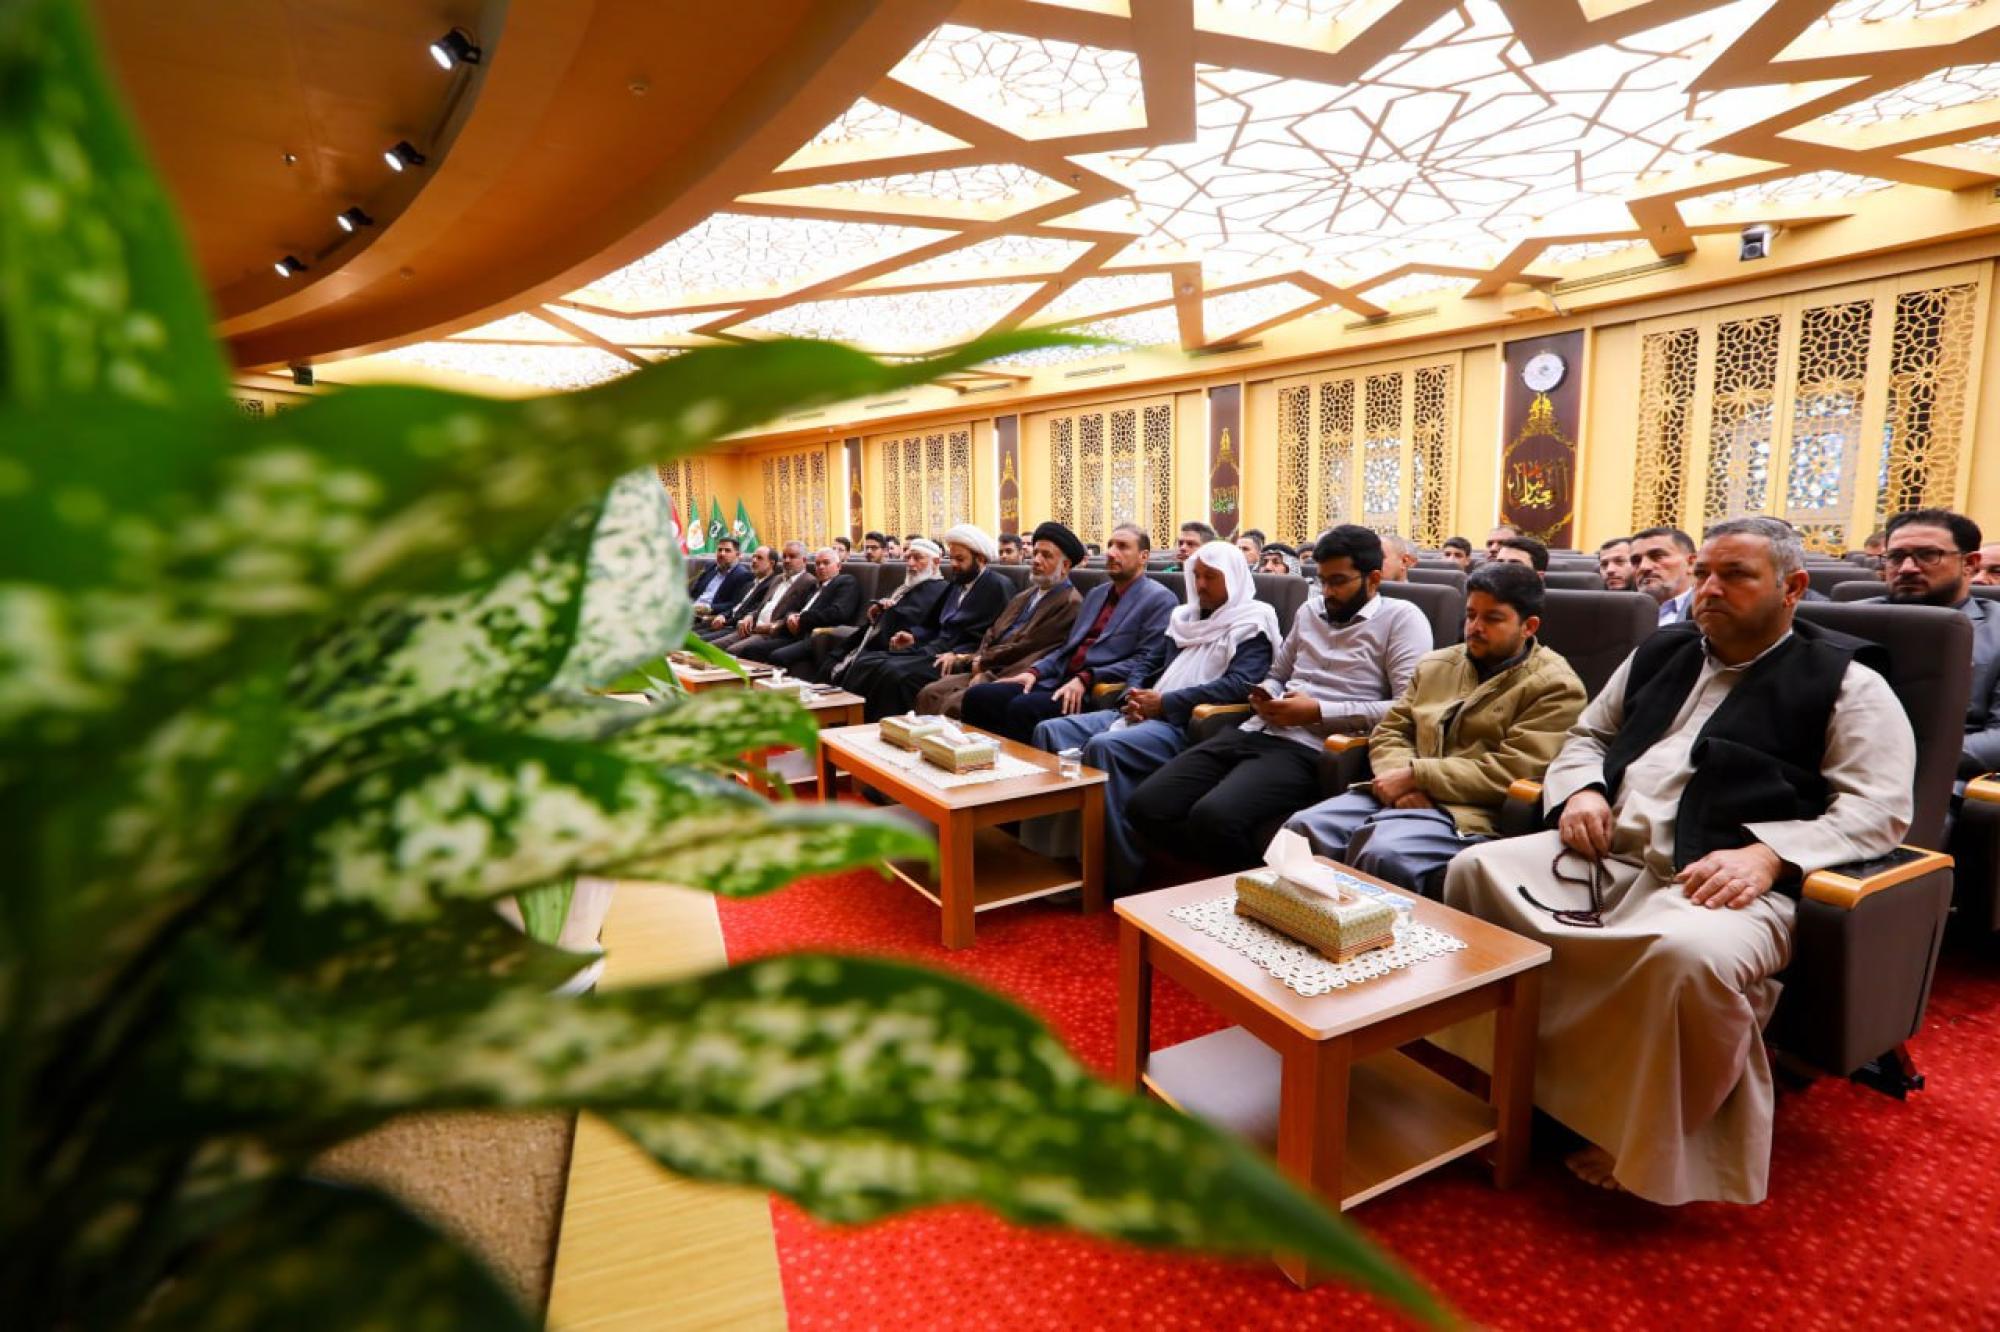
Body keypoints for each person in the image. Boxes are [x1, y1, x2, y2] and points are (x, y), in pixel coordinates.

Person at [1437, 517, 1914, 1205]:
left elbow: (1879, 809)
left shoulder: (1849, 683)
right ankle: (1511, 1073)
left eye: (1735, 575)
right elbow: (1587, 737)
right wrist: (1584, 790)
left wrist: (1770, 855)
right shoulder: (1661, 650)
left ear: (1793, 587)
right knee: (1475, 871)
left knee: (1688, 956)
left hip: (1729, 878)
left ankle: (1640, 1133)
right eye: (1703, 574)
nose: (1710, 590)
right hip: (1611, 853)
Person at [1127, 525, 1432, 874]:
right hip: (1256, 729)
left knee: (1213, 817)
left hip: (1314, 748)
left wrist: (1318, 711)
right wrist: (1267, 695)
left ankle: (1256, 887)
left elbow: (1405, 708)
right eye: (1322, 581)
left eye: (1338, 582)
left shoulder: (1402, 619)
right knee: (1145, 804)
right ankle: (1215, 879)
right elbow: (1276, 675)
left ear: (1373, 579)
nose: (1327, 592)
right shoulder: (1310, 611)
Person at [1283, 563, 1586, 897]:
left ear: (1528, 626)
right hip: (1396, 791)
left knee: (1384, 852)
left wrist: (1417, 776)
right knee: (1302, 828)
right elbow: (1391, 730)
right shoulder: (1437, 664)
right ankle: (1296, 923)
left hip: (1467, 811)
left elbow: (1512, 770)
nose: (1475, 627)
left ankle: (1368, 931)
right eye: (1471, 615)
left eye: (1492, 618)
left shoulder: (1555, 686)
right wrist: (1400, 781)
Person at [1023, 542, 1278, 893]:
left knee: (1105, 747)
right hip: (1145, 711)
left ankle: (1112, 871)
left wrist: (1165, 703)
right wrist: (1133, 694)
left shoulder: (1253, 620)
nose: (1200, 585)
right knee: (1050, 731)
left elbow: (1239, 685)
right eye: (1197, 576)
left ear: (1233, 578)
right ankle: (1054, 855)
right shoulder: (1185, 618)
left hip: (1187, 725)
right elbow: (1148, 661)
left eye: (1211, 577)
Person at [960, 524, 1176, 743]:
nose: (1111, 552)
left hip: (1095, 688)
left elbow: (1144, 661)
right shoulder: (1097, 594)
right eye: (1110, 545)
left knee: (1023, 708)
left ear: (1143, 556)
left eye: (1122, 547)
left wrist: (1086, 678)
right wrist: (1034, 672)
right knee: (980, 696)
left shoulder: (1159, 599)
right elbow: (1068, 648)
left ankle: (1020, 764)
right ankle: (977, 758)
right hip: (1059, 677)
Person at [1864, 508, 1997, 779]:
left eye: (1928, 555)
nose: (1907, 568)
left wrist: (1895, 760)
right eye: (1896, 557)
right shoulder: (1845, 620)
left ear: (1970, 564)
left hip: (1942, 780)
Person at [915, 522, 1085, 719]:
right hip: (987, 665)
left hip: (1013, 672)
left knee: (955, 703)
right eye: (1036, 553)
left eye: (1046, 555)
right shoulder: (1026, 595)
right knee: (930, 693)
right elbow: (992, 632)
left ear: (1065, 566)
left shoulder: (1070, 602)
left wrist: (982, 663)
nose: (1036, 560)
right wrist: (976, 660)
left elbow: (1028, 647)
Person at [842, 525, 1013, 717]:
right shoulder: (957, 583)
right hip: (933, 649)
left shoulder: (999, 586)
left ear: (980, 559)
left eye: (960, 559)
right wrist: (914, 637)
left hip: (956, 659)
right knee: (867, 661)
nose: (953, 564)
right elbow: (934, 624)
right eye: (952, 558)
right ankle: (853, 721)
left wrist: (962, 656)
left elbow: (1001, 636)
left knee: (896, 674)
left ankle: (892, 727)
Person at [819, 538, 945, 685]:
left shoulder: (941, 589)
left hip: (897, 648)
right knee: (833, 660)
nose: (910, 563)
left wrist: (889, 611)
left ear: (936, 562)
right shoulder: (905, 587)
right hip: (874, 640)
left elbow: (921, 625)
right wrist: (878, 609)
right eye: (908, 558)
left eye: (917, 558)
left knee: (862, 666)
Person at [733, 547, 859, 669]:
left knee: (777, 656)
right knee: (752, 649)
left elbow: (838, 613)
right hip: (793, 633)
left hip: (815, 636)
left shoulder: (845, 582)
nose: (821, 567)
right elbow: (796, 609)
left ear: (838, 566)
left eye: (826, 563)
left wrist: (801, 619)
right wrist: (791, 616)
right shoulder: (815, 586)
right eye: (817, 564)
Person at [711, 541, 812, 651]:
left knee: (732, 650)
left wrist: (772, 626)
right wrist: (750, 616)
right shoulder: (778, 578)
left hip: (770, 632)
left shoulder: (808, 582)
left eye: (792, 557)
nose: (787, 560)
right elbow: (762, 606)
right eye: (784, 557)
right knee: (711, 646)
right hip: (751, 627)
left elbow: (799, 614)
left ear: (804, 560)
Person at [696, 544, 775, 640]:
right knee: (688, 634)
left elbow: (752, 611)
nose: (754, 560)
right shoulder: (750, 584)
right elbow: (735, 607)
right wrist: (722, 615)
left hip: (737, 627)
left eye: (759, 558)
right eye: (753, 557)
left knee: (698, 641)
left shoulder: (771, 585)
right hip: (724, 621)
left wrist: (725, 620)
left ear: (771, 563)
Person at [1631, 526, 1696, 624]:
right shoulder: (1621, 615)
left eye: (1657, 556)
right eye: (1636, 561)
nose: (1643, 567)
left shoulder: (1709, 613)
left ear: (1691, 563)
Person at [688, 537, 753, 619]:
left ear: (738, 555)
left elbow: (735, 604)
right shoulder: (710, 567)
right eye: (719, 550)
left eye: (727, 550)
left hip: (709, 616)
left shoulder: (743, 575)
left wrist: (708, 608)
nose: (722, 554)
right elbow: (694, 592)